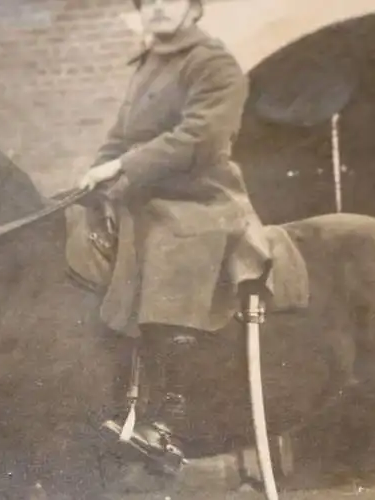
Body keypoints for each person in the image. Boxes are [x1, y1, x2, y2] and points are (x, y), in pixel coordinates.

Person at [70, 0, 274, 473]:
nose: (158, 7)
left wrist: (122, 165)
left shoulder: (213, 62)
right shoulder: (150, 64)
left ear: (195, 7)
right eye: (148, 0)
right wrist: (95, 174)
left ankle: (165, 421)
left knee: (170, 249)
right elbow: (120, 136)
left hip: (198, 197)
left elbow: (201, 137)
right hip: (142, 193)